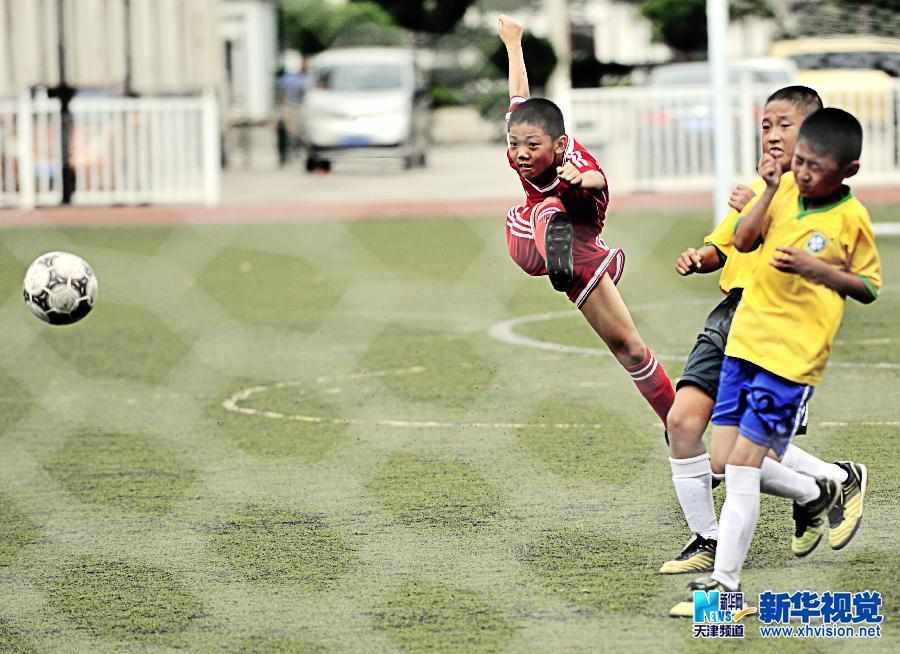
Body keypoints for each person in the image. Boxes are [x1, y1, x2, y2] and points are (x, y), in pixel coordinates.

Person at [670, 106, 881, 614]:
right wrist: (766, 191)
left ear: (847, 171)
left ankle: (724, 591)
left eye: (814, 166)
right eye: (799, 162)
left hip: (790, 360)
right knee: (726, 461)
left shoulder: (850, 218)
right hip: (743, 344)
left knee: (743, 470)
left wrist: (817, 269)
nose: (802, 173)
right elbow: (742, 241)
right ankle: (822, 488)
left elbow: (868, 286)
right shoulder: (782, 188)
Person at [497, 15, 675, 428]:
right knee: (543, 209)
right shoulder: (525, 131)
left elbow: (598, 178)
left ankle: (675, 421)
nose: (520, 152)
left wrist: (580, 179)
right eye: (514, 144)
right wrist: (513, 42)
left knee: (630, 348)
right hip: (533, 236)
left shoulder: (575, 161)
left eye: (532, 145)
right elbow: (519, 92)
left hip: (579, 247)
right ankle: (551, 245)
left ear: (560, 145)